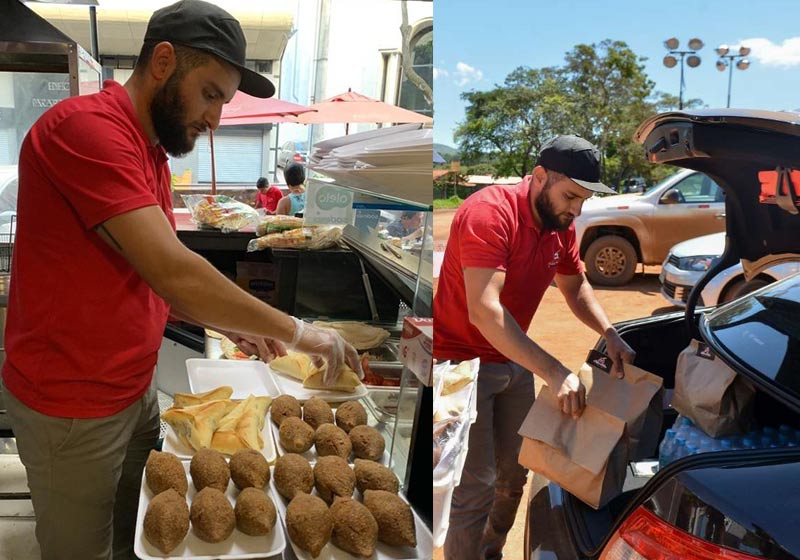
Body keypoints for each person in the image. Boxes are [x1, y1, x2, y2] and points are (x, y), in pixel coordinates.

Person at [0, 2, 361, 559]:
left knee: (135, 536)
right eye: (211, 94)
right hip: (71, 405)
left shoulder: (150, 153)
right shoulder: (85, 129)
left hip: (132, 390)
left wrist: (233, 324)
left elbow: (152, 282)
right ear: (163, 62)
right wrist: (298, 331)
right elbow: (173, 269)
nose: (215, 119)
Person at [434, 135, 636, 560]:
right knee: (477, 487)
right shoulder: (489, 213)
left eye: (583, 201)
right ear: (539, 177)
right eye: (570, 197)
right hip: (460, 363)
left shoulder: (560, 225)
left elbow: (575, 284)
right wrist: (555, 372)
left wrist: (610, 332)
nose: (576, 209)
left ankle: (487, 553)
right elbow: (485, 312)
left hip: (513, 357)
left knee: (514, 477)